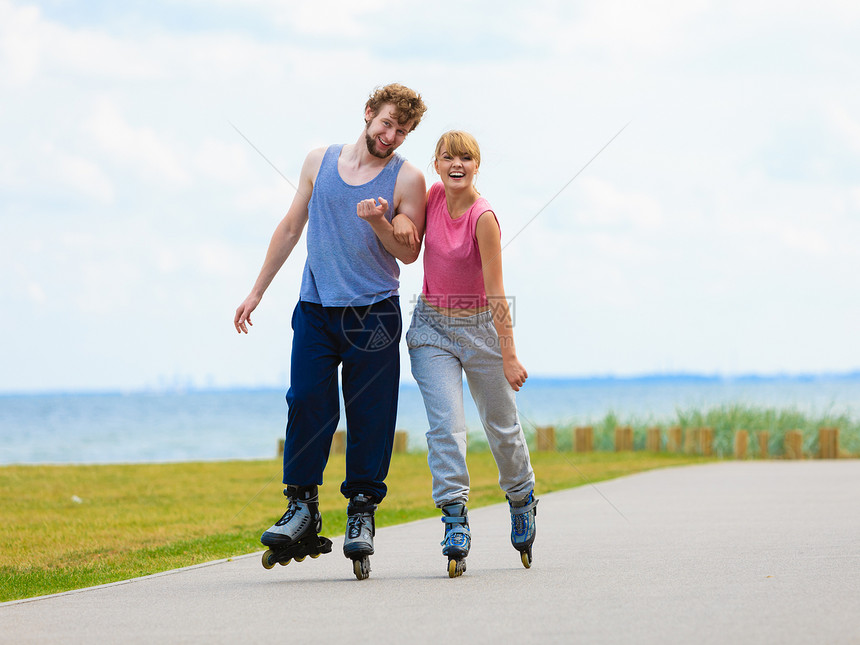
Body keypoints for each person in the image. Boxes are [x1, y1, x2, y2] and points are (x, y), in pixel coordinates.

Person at [234, 83, 428, 579]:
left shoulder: (408, 179)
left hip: (374, 314)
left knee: (371, 414)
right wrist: (256, 291)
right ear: (368, 114)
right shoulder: (318, 161)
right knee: (305, 402)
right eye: (386, 123)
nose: (391, 135)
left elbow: (410, 251)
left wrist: (383, 223)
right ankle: (303, 507)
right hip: (317, 307)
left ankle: (361, 511)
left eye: (402, 130)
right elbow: (291, 226)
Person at [393, 130, 538, 577]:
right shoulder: (432, 196)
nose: (457, 164)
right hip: (432, 327)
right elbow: (407, 232)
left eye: (466, 158)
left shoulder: (484, 218)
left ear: (477, 165)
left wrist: (509, 354)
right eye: (448, 157)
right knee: (446, 428)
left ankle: (520, 496)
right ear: (436, 164)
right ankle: (454, 515)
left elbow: (496, 292)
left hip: (481, 328)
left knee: (502, 427)